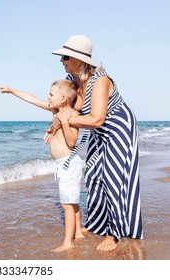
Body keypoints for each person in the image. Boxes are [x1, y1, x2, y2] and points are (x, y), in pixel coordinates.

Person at [49, 35, 143, 251]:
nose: (61, 61)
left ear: (79, 60)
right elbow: (65, 109)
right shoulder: (75, 83)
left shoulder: (101, 80)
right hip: (99, 132)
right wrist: (57, 119)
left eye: (65, 57)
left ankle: (114, 234)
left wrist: (65, 119)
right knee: (93, 175)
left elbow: (96, 118)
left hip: (119, 129)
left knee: (113, 178)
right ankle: (101, 224)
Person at [0, 80, 85, 252]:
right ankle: (79, 231)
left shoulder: (72, 115)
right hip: (63, 164)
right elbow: (32, 99)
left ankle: (69, 242)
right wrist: (12, 90)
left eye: (52, 94)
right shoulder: (56, 111)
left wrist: (64, 122)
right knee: (72, 200)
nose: (48, 97)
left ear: (64, 99)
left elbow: (72, 141)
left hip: (68, 163)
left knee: (67, 204)